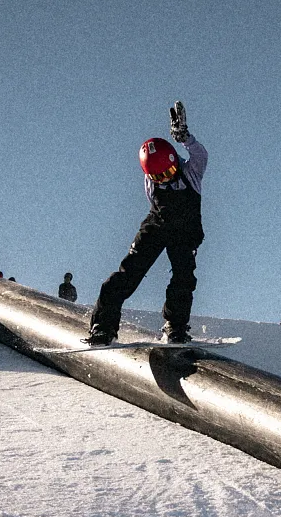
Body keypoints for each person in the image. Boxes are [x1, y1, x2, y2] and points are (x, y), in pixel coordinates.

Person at [86, 101, 208, 345]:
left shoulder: (191, 171)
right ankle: (103, 325)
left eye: (168, 172)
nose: (164, 179)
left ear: (175, 161)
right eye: (158, 177)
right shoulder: (152, 181)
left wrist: (185, 137)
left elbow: (200, 154)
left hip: (184, 231)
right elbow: (157, 203)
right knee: (129, 271)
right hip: (158, 224)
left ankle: (176, 326)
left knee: (184, 277)